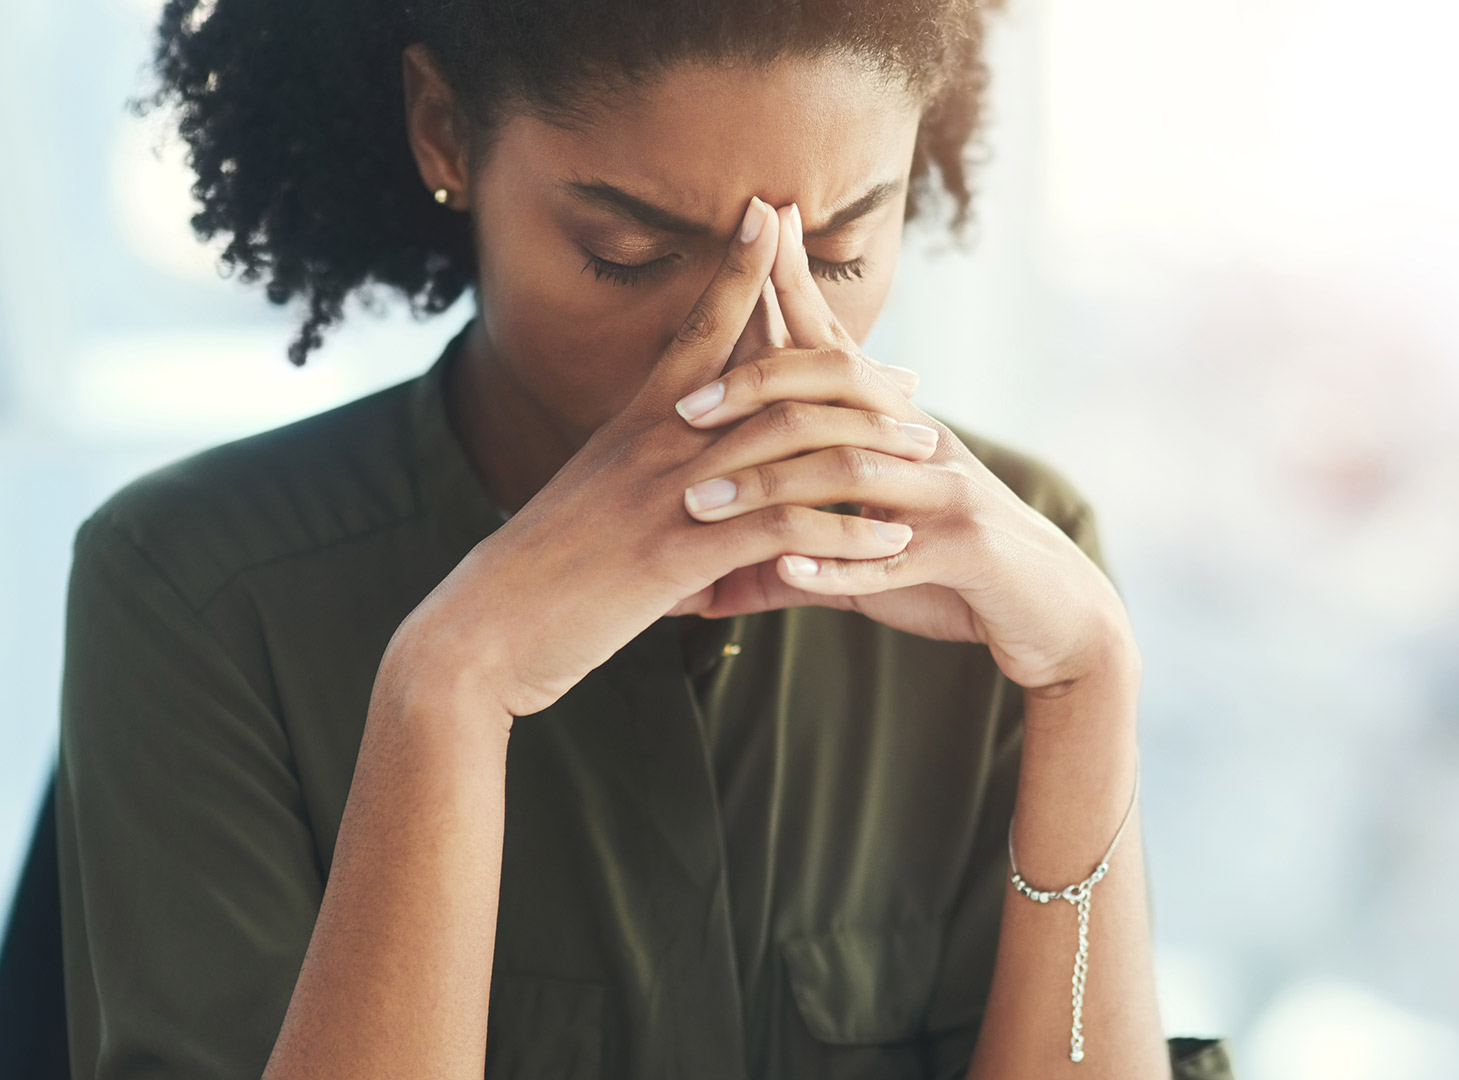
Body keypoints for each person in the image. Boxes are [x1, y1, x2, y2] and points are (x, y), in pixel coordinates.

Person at [53, 1, 1236, 1077]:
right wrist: (447, 688)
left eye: (839, 252)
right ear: (444, 132)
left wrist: (1089, 683)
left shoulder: (1008, 576)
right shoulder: (196, 589)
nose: (757, 347)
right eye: (628, 256)